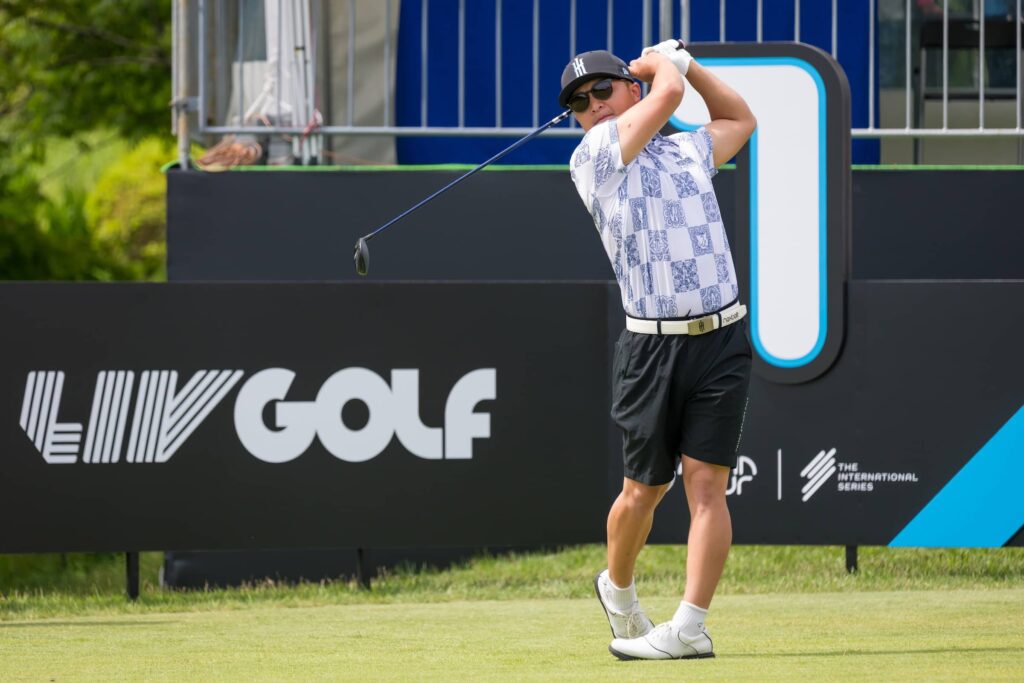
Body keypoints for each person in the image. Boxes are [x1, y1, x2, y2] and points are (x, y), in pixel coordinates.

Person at [559, 42, 756, 660]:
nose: (592, 106)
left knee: (707, 488)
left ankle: (690, 628)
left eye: (603, 91)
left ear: (628, 92)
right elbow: (668, 94)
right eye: (579, 103)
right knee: (642, 493)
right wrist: (659, 65)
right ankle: (617, 592)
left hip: (722, 339)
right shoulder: (592, 155)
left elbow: (740, 121)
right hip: (652, 348)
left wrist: (691, 65)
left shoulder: (686, 149)